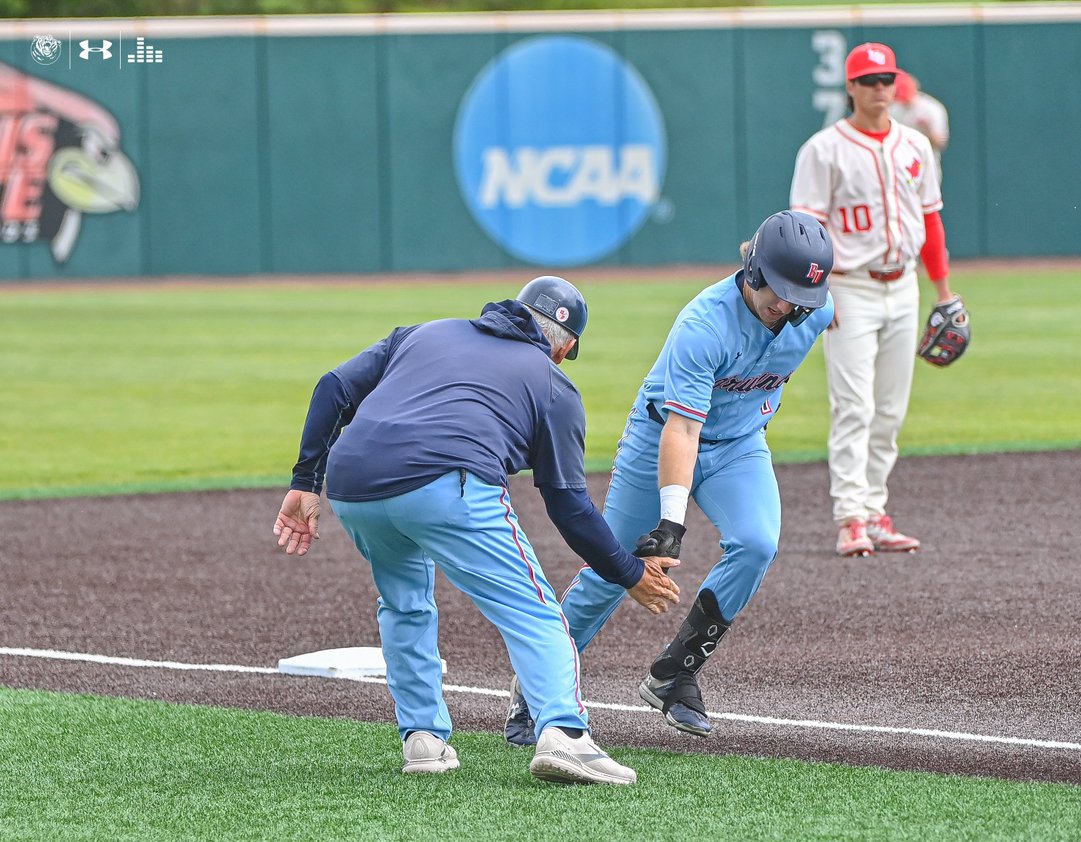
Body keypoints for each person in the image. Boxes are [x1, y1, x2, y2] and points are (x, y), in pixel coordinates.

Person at [272, 276, 681, 786]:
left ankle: (423, 739)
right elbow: (569, 507)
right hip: (447, 485)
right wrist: (628, 573)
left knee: (404, 605)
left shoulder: (422, 333)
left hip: (353, 486)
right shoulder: (553, 385)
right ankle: (566, 734)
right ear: (565, 347)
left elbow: (333, 387)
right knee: (532, 610)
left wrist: (305, 482)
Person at [504, 211, 834, 743]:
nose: (788, 306)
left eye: (802, 297)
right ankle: (536, 687)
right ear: (754, 269)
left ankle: (674, 673)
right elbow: (682, 429)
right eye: (781, 290)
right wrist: (671, 524)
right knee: (612, 566)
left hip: (739, 444)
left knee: (756, 543)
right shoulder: (704, 325)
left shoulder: (813, 313)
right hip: (660, 436)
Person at [789, 42, 962, 557]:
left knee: (889, 410)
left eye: (886, 79)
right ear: (851, 87)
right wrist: (816, 293)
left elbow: (930, 221)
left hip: (903, 285)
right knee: (854, 407)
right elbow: (807, 230)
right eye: (869, 80)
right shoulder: (823, 149)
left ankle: (875, 509)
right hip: (849, 286)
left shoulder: (915, 146)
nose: (880, 88)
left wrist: (944, 291)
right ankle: (851, 518)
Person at [890, 70, 950, 170]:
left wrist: (927, 129)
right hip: (899, 162)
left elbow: (941, 143)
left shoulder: (932, 109)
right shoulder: (893, 108)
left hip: (926, 163)